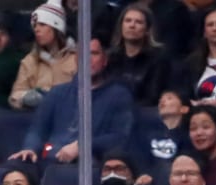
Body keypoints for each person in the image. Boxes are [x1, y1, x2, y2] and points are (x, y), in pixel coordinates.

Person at [12, 37, 133, 165]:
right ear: (76, 59)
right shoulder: (57, 92)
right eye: (83, 54)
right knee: (20, 164)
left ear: (105, 60)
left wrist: (84, 146)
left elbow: (120, 137)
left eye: (94, 53)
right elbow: (38, 130)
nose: (88, 59)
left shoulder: (119, 95)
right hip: (51, 154)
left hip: (92, 163)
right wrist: (30, 148)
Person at [11, 1, 74, 109]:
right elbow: (15, 96)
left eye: (42, 24)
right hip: (39, 115)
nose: (36, 29)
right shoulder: (30, 61)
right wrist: (25, 97)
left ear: (57, 27)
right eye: (35, 26)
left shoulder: (76, 59)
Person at [109, 3, 171, 103]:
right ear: (121, 26)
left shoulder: (158, 58)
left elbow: (152, 97)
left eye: (138, 22)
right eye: (128, 21)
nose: (132, 25)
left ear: (147, 30)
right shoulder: (112, 57)